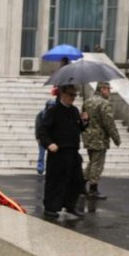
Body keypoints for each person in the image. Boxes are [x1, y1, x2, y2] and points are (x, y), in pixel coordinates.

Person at [38, 84, 89, 218]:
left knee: (76, 180)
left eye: (75, 95)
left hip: (72, 151)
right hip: (58, 152)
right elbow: (43, 130)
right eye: (71, 95)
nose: (73, 98)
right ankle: (51, 207)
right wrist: (49, 144)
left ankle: (70, 205)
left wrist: (84, 121)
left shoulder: (74, 111)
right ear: (63, 94)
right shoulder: (53, 110)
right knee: (55, 181)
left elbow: (78, 129)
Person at [81, 81, 121, 199]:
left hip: (88, 136)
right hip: (99, 138)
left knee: (92, 161)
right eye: (108, 89)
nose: (109, 92)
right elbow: (109, 123)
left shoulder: (87, 101)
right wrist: (116, 138)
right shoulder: (104, 104)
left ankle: (81, 185)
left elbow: (83, 118)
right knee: (97, 164)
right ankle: (93, 189)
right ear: (102, 89)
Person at [35, 97, 56, 175]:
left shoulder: (55, 114)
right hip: (43, 137)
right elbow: (38, 126)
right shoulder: (41, 114)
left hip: (52, 138)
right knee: (42, 154)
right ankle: (40, 168)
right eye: (50, 106)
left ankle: (51, 168)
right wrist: (37, 137)